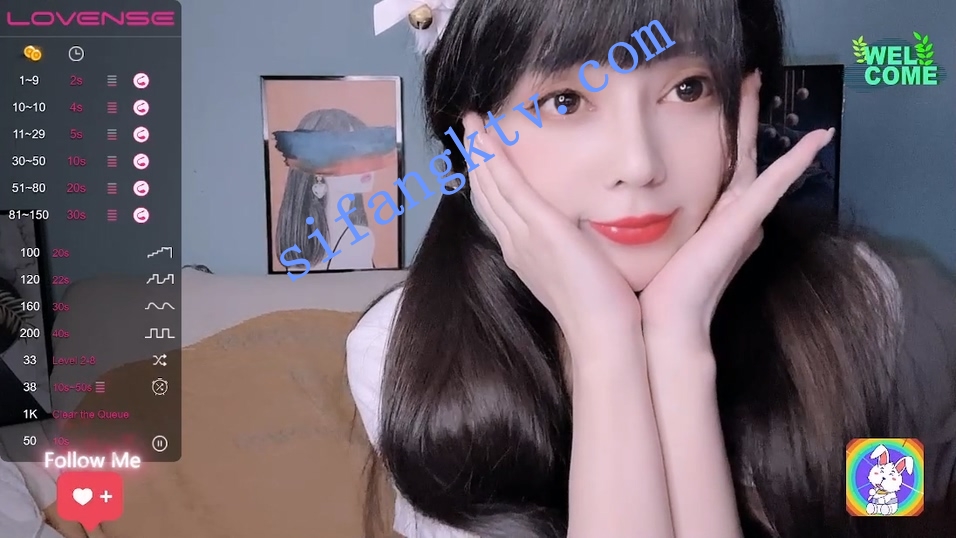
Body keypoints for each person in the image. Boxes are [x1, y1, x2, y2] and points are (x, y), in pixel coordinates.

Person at [347, 0, 956, 536]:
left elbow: (895, 516)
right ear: (473, 134)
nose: (639, 164)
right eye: (566, 101)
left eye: (688, 89)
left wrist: (678, 346)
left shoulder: (874, 310)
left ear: (746, 98)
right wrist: (606, 347)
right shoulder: (407, 351)